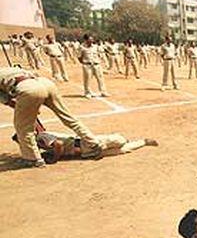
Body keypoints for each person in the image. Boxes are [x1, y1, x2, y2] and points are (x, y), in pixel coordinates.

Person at [0, 67, 102, 168]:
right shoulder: (8, 69)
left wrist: (28, 108)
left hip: (28, 89)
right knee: (67, 117)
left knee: (23, 128)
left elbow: (8, 101)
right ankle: (92, 143)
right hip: (44, 83)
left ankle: (32, 159)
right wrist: (31, 108)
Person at [28, 131, 158, 164]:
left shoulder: (42, 137)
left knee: (116, 140)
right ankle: (144, 142)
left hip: (83, 143)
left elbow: (59, 145)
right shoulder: (37, 148)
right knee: (121, 151)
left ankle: (124, 139)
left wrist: (55, 158)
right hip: (83, 153)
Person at [78, 34, 109, 98]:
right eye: (90, 39)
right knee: (87, 79)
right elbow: (79, 57)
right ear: (86, 40)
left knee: (100, 79)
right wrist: (84, 63)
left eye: (92, 39)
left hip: (97, 64)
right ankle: (87, 92)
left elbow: (99, 54)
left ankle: (103, 91)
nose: (91, 41)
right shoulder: (82, 47)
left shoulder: (95, 46)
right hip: (87, 65)